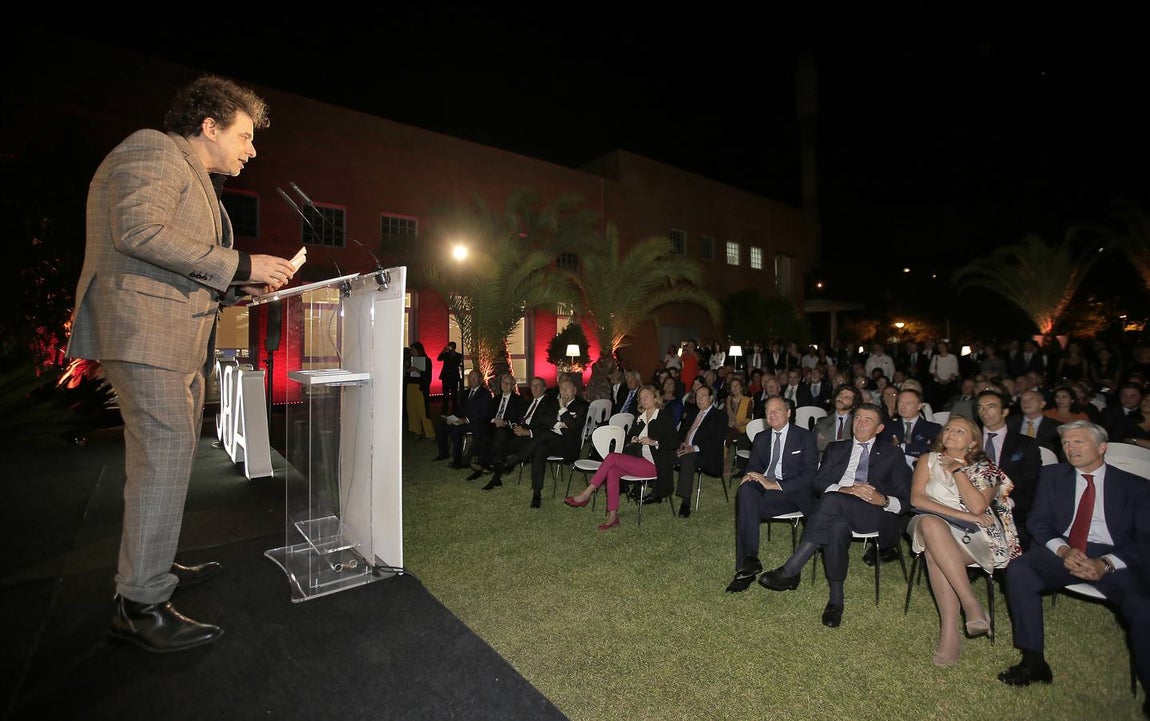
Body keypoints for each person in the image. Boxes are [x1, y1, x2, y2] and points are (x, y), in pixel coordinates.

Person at [66, 75, 297, 652]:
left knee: (164, 461)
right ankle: (141, 604)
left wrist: (238, 289)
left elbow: (182, 263)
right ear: (208, 125)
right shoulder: (154, 150)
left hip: (169, 334)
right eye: (243, 136)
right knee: (163, 458)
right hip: (147, 333)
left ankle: (153, 570)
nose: (251, 150)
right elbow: (139, 231)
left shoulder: (193, 176)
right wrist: (244, 263)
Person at [997, 421, 1149, 720]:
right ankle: (1033, 660)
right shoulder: (1053, 475)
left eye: (1079, 442)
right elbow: (1038, 522)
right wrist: (1063, 550)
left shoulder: (1136, 486)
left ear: (1102, 447)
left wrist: (1106, 564)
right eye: (1066, 443)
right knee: (1020, 570)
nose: (1070, 448)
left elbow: (1145, 541)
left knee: (1143, 605)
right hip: (1064, 549)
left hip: (1115, 556)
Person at [756, 404, 911, 626]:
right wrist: (844, 490)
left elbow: (907, 501)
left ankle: (791, 569)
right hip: (836, 510)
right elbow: (818, 484)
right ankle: (836, 601)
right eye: (857, 418)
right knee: (836, 525)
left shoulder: (892, 454)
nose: (860, 423)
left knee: (831, 501)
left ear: (879, 428)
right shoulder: (837, 449)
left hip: (873, 513)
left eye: (867, 420)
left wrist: (884, 500)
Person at [906, 414, 1021, 666]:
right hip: (935, 524)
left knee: (935, 553)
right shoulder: (927, 460)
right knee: (930, 523)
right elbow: (917, 500)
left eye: (959, 431)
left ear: (972, 442)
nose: (951, 433)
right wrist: (960, 515)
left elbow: (978, 506)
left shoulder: (985, 467)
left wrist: (957, 470)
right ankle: (971, 604)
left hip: (977, 536)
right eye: (948, 429)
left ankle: (950, 635)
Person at [724, 396, 819, 592]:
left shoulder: (805, 437)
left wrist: (776, 485)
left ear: (789, 413)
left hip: (793, 494)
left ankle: (745, 569)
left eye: (777, 410)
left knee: (747, 506)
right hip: (765, 490)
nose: (772, 414)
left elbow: (809, 476)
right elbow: (754, 466)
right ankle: (749, 562)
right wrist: (751, 476)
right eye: (768, 411)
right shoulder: (762, 437)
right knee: (746, 490)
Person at [564, 385, 677, 528]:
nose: (643, 400)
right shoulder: (640, 418)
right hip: (639, 461)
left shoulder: (663, 415)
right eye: (641, 398)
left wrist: (654, 442)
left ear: (655, 397)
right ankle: (612, 516)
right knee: (612, 470)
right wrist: (634, 438)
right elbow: (629, 437)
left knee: (612, 458)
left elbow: (674, 442)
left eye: (647, 396)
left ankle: (587, 493)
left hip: (656, 465)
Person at [490, 377, 588, 508]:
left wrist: (563, 409)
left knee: (545, 434)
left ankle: (515, 460)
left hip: (569, 448)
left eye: (567, 389)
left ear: (575, 390)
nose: (564, 392)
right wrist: (560, 424)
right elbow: (543, 419)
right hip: (552, 442)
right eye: (561, 389)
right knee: (540, 449)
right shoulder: (554, 403)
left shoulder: (582, 405)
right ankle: (537, 493)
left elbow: (573, 429)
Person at [975, 389, 1041, 549]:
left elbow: (1031, 481)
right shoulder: (969, 441)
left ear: (1004, 411)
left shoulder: (1025, 444)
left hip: (1011, 505)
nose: (984, 412)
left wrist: (1006, 502)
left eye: (990, 406)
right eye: (980, 407)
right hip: (972, 502)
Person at [673, 384, 727, 518]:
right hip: (687, 450)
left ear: (711, 398)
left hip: (708, 456)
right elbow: (682, 432)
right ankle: (658, 490)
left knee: (688, 458)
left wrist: (693, 448)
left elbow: (716, 441)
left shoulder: (719, 416)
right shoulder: (692, 413)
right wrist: (680, 445)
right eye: (697, 396)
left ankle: (686, 502)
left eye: (703, 396)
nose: (699, 399)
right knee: (663, 452)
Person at [432, 369, 493, 468]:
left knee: (456, 430)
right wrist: (451, 418)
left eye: (474, 378)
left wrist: (466, 420)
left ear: (480, 379)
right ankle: (443, 453)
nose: (471, 380)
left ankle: (457, 459)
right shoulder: (465, 393)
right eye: (470, 378)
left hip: (476, 423)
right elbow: (459, 409)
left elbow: (484, 414)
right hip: (461, 421)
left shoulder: (485, 394)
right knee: (440, 427)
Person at [405, 342, 434, 439]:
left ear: (418, 350)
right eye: (411, 350)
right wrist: (406, 368)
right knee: (412, 410)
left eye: (413, 349)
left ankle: (430, 433)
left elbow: (427, 376)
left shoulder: (426, 360)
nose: (412, 351)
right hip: (410, 387)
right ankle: (416, 431)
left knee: (423, 411)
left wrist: (416, 369)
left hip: (420, 388)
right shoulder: (409, 360)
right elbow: (406, 375)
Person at [437, 341, 464, 413]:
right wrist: (444, 351)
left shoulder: (458, 355)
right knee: (445, 394)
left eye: (452, 347)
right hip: (446, 376)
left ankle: (455, 410)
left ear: (455, 347)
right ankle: (444, 410)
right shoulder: (445, 354)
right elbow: (439, 359)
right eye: (450, 347)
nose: (451, 348)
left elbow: (459, 363)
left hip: (454, 377)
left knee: (454, 394)